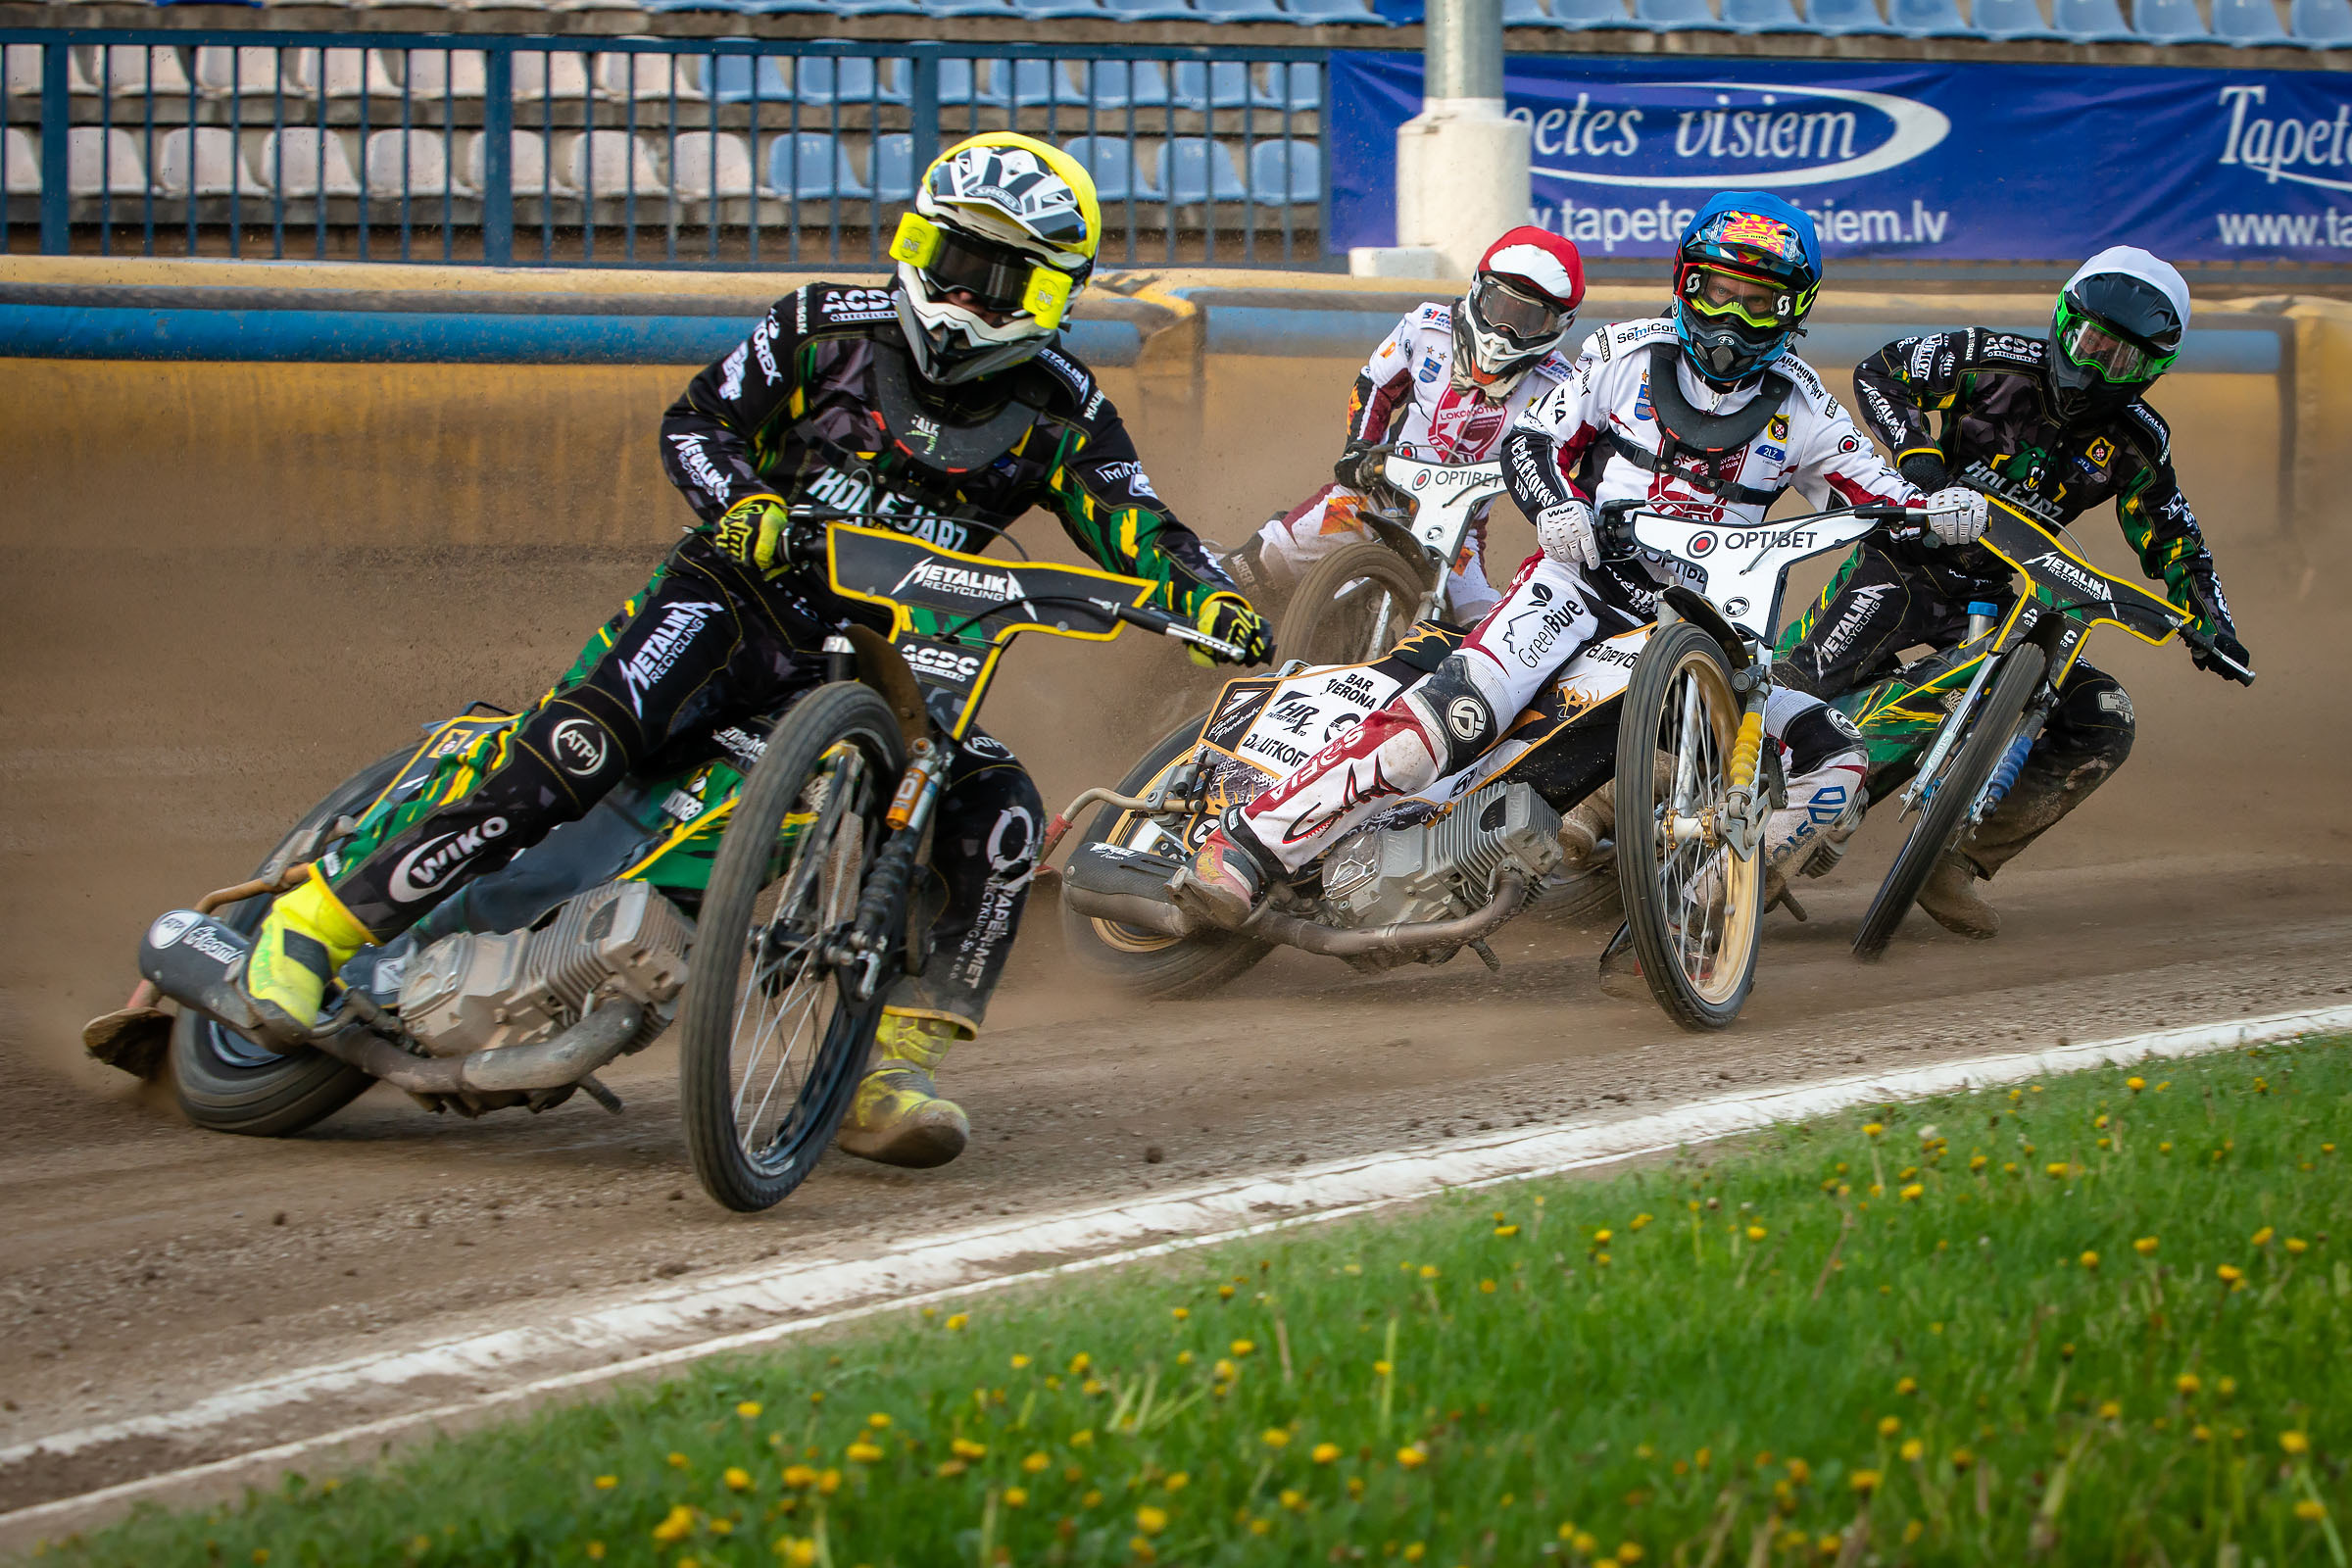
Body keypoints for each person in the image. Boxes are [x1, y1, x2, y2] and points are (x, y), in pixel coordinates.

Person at [238, 132, 1268, 1167]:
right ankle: (320, 924)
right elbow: (696, 424)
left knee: (1001, 817)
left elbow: (1141, 528)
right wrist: (743, 504)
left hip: (896, 659)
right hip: (735, 597)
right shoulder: (821, 326)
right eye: (953, 261)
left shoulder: (1067, 409)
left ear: (1051, 297)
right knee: (579, 746)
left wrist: (1211, 597)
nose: (965, 296)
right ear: (914, 245)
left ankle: (889, 1068)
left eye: (999, 281)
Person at [1178, 193, 1988, 929]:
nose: (1731, 322)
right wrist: (1555, 506)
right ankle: (1248, 848)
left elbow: (1882, 493)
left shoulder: (1808, 409)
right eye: (1716, 292)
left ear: (1794, 310)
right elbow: (1534, 440)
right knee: (1457, 718)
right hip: (1576, 588)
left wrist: (1941, 510)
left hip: (1705, 640)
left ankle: (1697, 921)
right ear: (1686, 283)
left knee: (1835, 758)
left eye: (1759, 303)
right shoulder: (1621, 353)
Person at [1775, 246, 2252, 939]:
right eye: (2089, 343)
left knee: (2104, 716)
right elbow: (1882, 370)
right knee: (1785, 689)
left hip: (2011, 597)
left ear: (2152, 371)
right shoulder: (1990, 359)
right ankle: (1653, 808)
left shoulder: (2139, 441)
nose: (2095, 368)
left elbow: (2176, 537)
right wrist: (1917, 457)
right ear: (2062, 322)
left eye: (2121, 360)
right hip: (1905, 564)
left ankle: (1953, 859)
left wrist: (2214, 623)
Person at [1221, 228, 1587, 626]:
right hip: (1373, 494)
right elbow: (1375, 384)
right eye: (1499, 306)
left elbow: (1567, 464)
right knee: (1267, 560)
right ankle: (1197, 616)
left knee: (1478, 626)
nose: (1504, 330)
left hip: (1457, 531)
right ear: (1477, 290)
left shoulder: (1561, 386)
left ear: (1559, 324)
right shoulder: (1427, 328)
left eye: (1527, 320)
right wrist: (1359, 447)